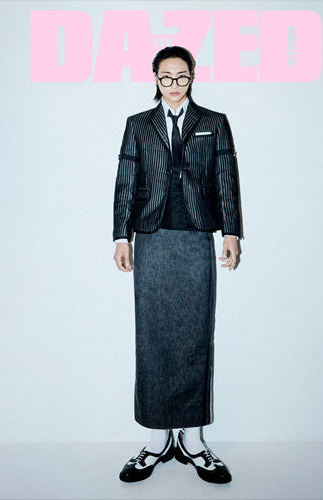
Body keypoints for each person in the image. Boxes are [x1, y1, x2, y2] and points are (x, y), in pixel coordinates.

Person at [112, 46, 242, 484]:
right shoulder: (138, 125)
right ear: (155, 77)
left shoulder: (214, 123)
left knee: (195, 333)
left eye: (181, 76)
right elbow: (126, 181)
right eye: (166, 77)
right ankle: (156, 439)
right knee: (153, 335)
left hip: (196, 237)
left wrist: (230, 232)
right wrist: (121, 236)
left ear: (192, 76)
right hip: (151, 238)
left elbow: (226, 178)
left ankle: (193, 440)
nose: (173, 84)